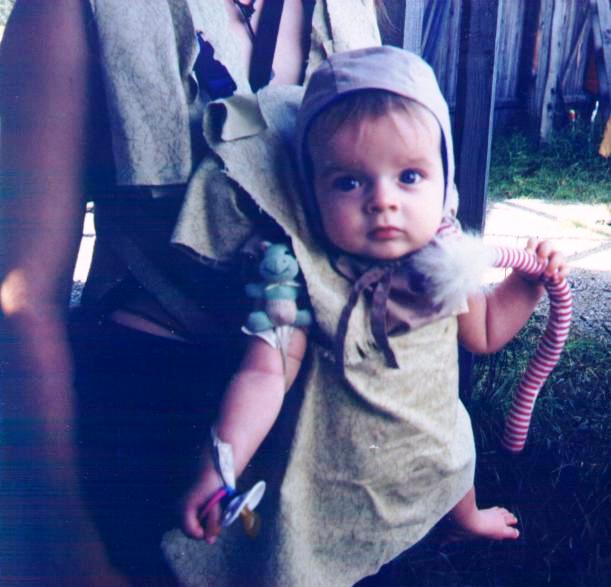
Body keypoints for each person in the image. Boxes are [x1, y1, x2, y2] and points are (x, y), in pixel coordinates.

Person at [0, 1, 386, 584]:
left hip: (329, 435)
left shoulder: (346, 11)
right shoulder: (69, 11)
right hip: (156, 422)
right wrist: (72, 546)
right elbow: (24, 300)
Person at [163, 46, 568, 586]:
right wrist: (220, 465)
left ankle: (464, 516)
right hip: (342, 460)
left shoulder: (444, 259)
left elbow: (487, 330)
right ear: (311, 191)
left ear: (443, 180)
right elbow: (264, 374)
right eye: (350, 182)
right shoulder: (298, 271)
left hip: (431, 433)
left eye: (410, 176)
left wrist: (527, 284)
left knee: (454, 455)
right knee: (298, 551)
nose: (382, 201)